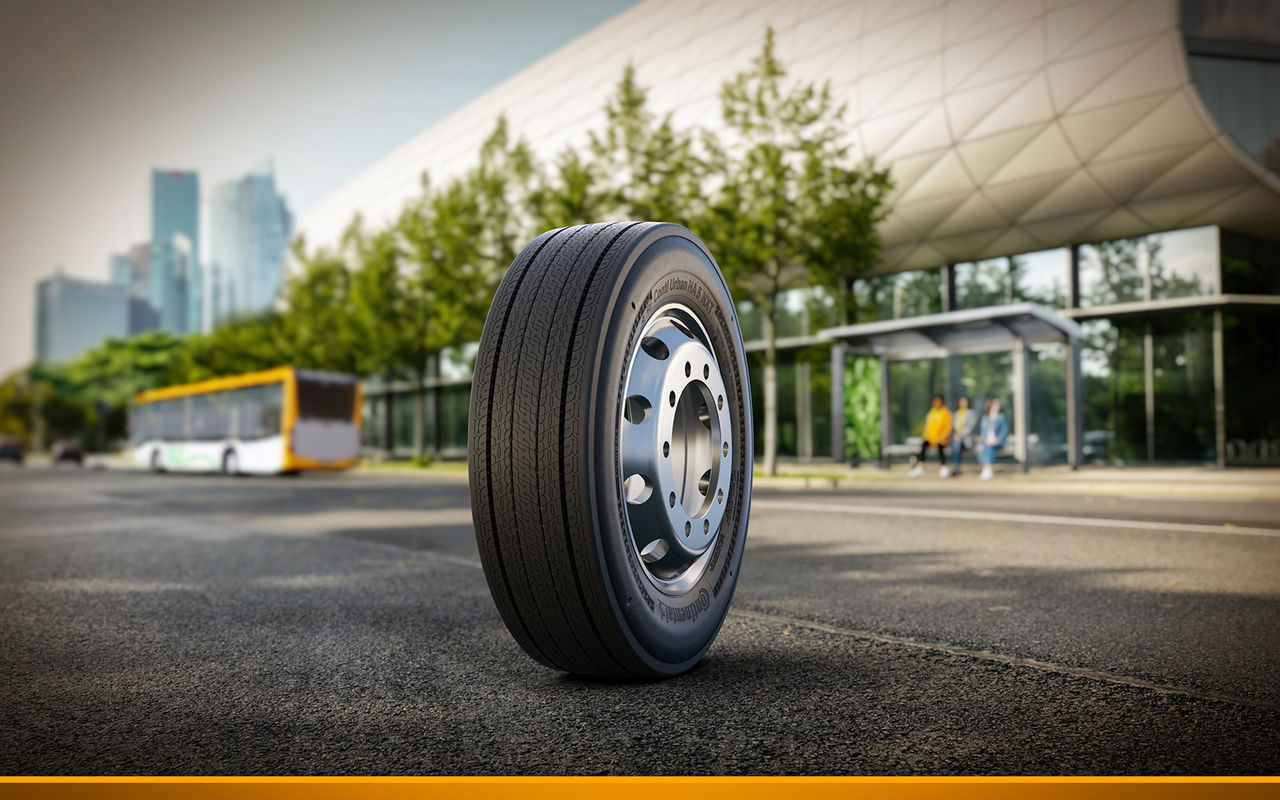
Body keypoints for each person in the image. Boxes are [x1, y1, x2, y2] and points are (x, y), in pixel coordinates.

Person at [908, 394, 952, 478]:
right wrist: (926, 436)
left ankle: (943, 467)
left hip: (942, 439)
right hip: (931, 438)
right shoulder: (932, 412)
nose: (937, 403)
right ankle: (921, 467)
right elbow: (928, 426)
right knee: (924, 444)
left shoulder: (946, 413)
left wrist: (941, 437)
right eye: (935, 401)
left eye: (938, 401)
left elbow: (947, 428)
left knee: (940, 447)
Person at [978, 397, 1009, 481]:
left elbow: (1004, 430)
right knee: (985, 447)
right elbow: (983, 431)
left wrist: (998, 440)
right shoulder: (985, 417)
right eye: (996, 404)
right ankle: (987, 469)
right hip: (987, 441)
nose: (998, 406)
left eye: (999, 405)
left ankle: (987, 469)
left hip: (998, 442)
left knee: (989, 447)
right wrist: (986, 440)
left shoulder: (1001, 417)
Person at [951, 395, 977, 476]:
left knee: (957, 443)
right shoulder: (955, 414)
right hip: (957, 439)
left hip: (967, 439)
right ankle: (956, 468)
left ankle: (957, 468)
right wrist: (957, 436)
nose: (963, 403)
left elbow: (970, 428)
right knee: (956, 444)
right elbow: (953, 428)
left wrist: (960, 435)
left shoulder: (971, 413)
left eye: (964, 402)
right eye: (961, 402)